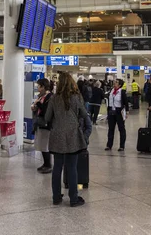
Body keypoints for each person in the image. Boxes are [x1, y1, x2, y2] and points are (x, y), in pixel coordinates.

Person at [44, 72, 90, 207]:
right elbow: (83, 114)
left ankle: (56, 197)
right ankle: (74, 199)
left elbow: (47, 118)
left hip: (57, 136)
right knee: (72, 167)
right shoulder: (76, 97)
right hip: (72, 136)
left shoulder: (53, 98)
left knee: (57, 167)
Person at [32, 78, 53, 173]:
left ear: (43, 86)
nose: (37, 88)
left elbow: (47, 110)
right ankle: (45, 163)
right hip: (40, 122)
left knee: (45, 145)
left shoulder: (50, 96)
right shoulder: (41, 96)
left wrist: (39, 105)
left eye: (39, 86)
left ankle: (48, 164)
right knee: (41, 144)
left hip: (46, 124)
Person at [105, 79, 128, 151]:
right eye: (114, 82)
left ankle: (122, 146)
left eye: (116, 82)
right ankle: (109, 145)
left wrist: (127, 111)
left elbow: (126, 102)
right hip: (111, 111)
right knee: (111, 129)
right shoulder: (111, 91)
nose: (114, 83)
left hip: (119, 112)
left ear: (120, 85)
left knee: (121, 129)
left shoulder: (122, 92)